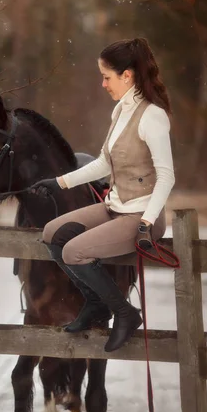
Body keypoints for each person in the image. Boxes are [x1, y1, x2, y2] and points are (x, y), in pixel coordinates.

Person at [31, 38, 175, 352]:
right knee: (52, 233)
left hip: (141, 215)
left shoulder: (153, 117)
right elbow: (103, 163)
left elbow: (167, 176)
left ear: (128, 75)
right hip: (115, 207)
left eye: (107, 76)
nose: (103, 83)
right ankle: (97, 304)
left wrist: (146, 223)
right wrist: (61, 182)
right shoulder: (120, 111)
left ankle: (125, 313)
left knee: (74, 253)